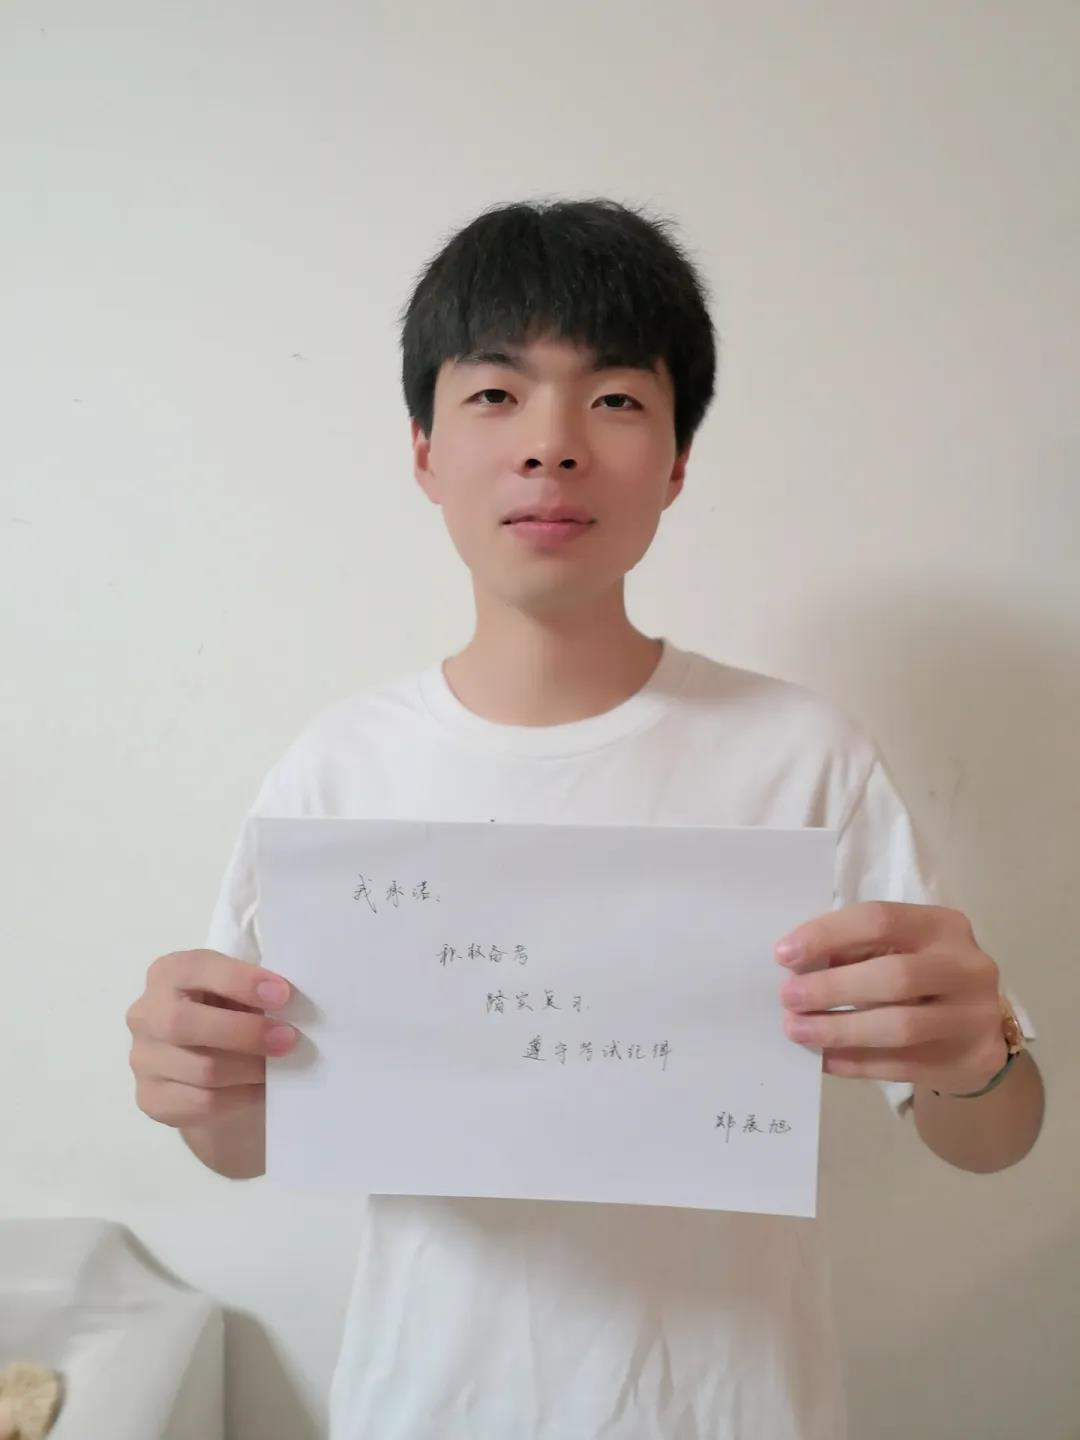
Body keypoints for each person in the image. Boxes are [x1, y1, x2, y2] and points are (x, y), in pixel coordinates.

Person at [126, 197, 1044, 1439]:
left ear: (676, 462)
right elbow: (245, 1143)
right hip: (426, 1408)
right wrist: (194, 1081)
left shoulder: (802, 756)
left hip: (737, 1412)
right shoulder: (339, 768)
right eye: (495, 394)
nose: (551, 445)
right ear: (423, 452)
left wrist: (977, 1054)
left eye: (613, 397)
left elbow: (989, 1140)